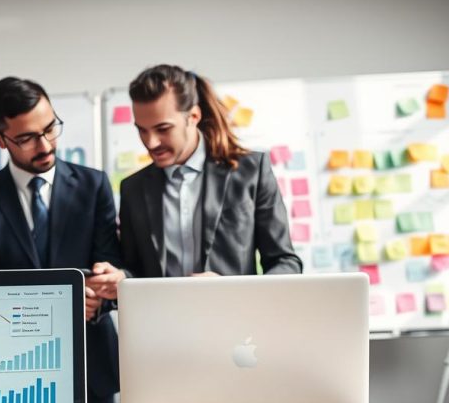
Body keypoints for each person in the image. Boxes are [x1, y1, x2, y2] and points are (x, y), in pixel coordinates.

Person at [0, 77, 122, 403]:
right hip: (10, 369)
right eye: (27, 138)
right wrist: (63, 303)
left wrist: (101, 294)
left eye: (50, 128)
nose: (45, 145)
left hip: (92, 363)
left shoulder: (94, 186)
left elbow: (109, 266)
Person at [88, 64, 302, 299]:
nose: (151, 143)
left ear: (193, 117)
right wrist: (121, 279)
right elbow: (136, 270)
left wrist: (235, 290)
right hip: (163, 329)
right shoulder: (133, 188)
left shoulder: (251, 171)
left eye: (163, 129)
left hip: (235, 324)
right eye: (142, 130)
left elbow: (286, 263)